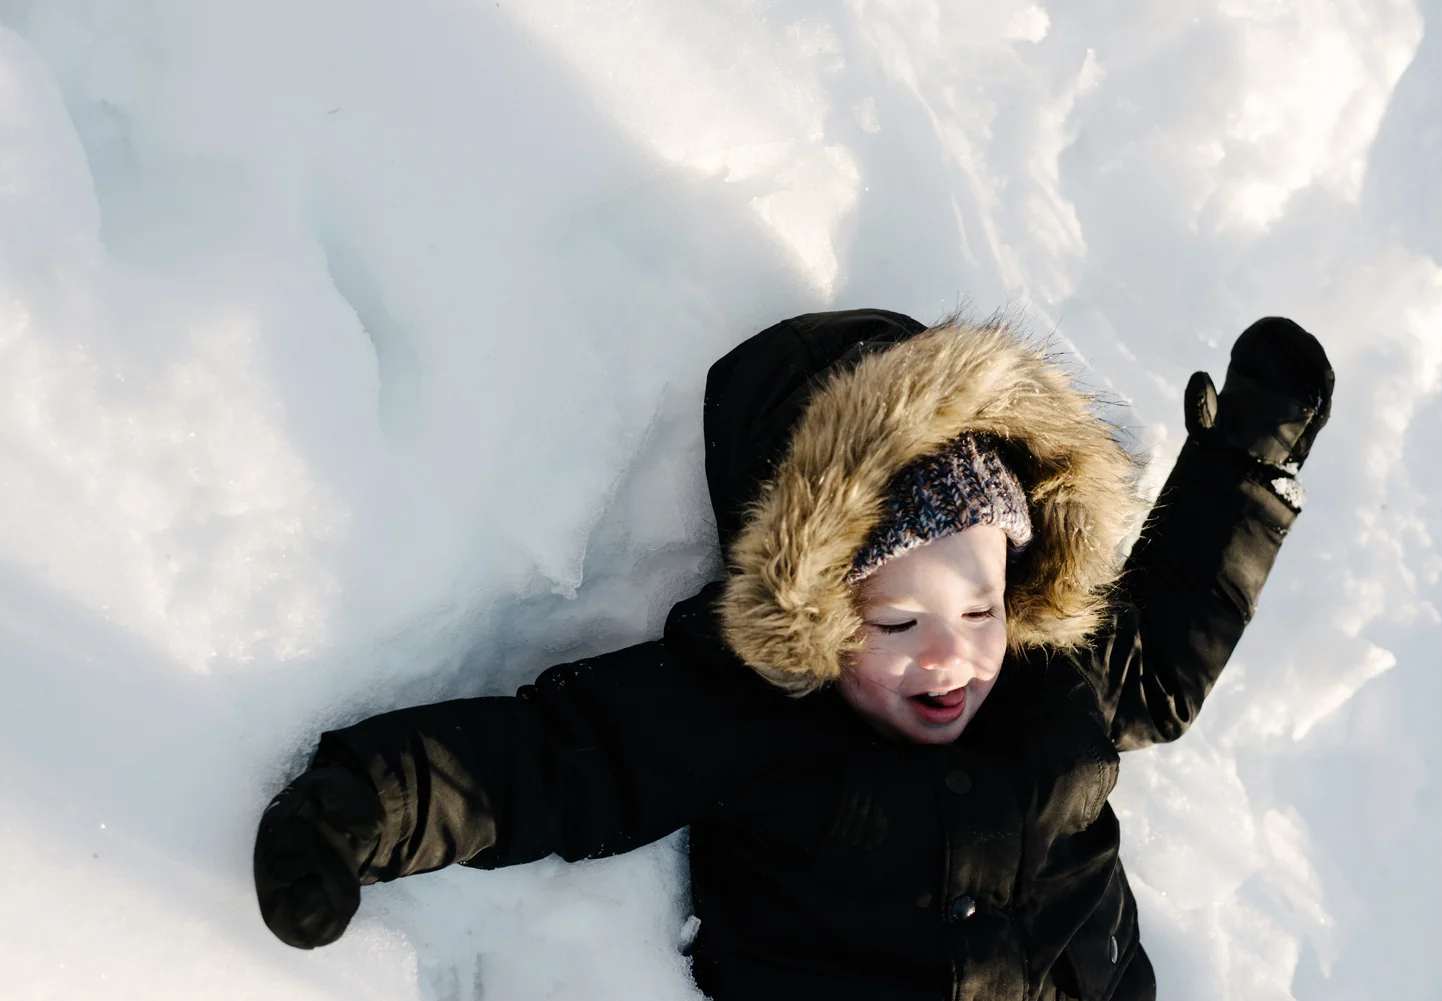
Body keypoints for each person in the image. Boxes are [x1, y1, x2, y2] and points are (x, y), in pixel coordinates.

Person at [252, 309, 1333, 1001]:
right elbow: (551, 763)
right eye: (898, 623)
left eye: (980, 607)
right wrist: (357, 811)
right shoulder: (746, 710)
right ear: (814, 602)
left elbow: (1162, 661)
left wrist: (1244, 464)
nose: (951, 655)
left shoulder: (1056, 669)